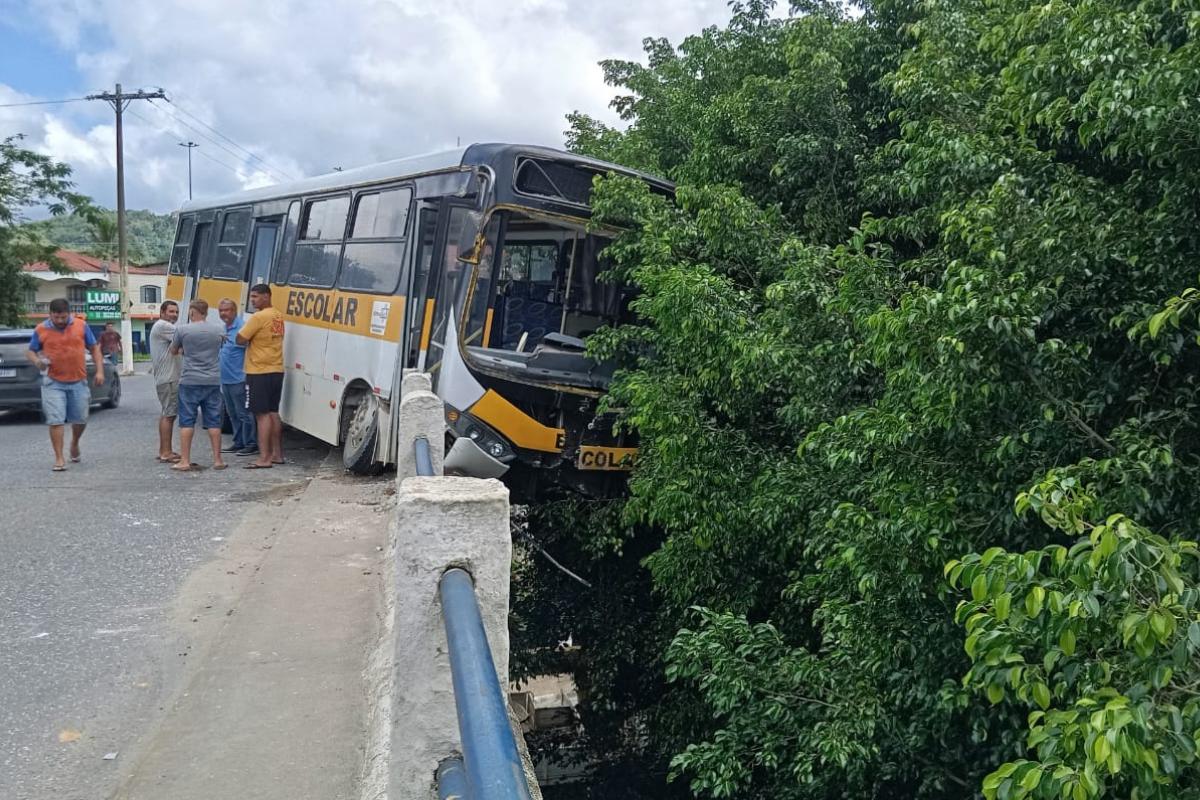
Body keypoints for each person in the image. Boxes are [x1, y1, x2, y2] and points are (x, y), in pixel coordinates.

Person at [25, 298, 105, 471]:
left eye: (63, 317)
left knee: (81, 419)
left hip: (78, 380)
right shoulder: (41, 329)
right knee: (55, 420)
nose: (60, 321)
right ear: (50, 315)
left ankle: (74, 443)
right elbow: (30, 351)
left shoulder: (81, 325)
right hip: (53, 382)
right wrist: (38, 361)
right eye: (56, 317)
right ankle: (59, 458)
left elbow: (94, 348)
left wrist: (99, 371)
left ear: (69, 314)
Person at [170, 299, 228, 472]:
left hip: (189, 380)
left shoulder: (182, 330)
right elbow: (220, 346)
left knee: (187, 421)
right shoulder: (218, 330)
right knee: (214, 422)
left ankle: (185, 460)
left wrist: (185, 350)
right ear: (206, 312)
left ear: (192, 312)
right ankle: (218, 460)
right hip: (212, 380)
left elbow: (174, 351)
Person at [236, 283, 285, 469]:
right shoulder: (278, 315)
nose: (252, 300)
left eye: (255, 296)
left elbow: (240, 338)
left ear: (266, 296)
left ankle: (264, 458)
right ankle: (277, 454)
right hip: (276, 369)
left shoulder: (258, 317)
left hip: (259, 370)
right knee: (273, 412)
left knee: (261, 415)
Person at [217, 298, 257, 456]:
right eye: (221, 310)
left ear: (234, 311)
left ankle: (251, 443)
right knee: (232, 413)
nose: (223, 313)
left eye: (226, 310)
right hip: (225, 379)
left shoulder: (242, 328)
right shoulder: (226, 328)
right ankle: (239, 441)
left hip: (239, 378)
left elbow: (251, 349)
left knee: (244, 413)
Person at [149, 300, 182, 462]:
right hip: (169, 378)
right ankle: (166, 452)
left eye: (176, 312)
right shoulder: (163, 326)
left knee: (167, 414)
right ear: (162, 313)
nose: (174, 315)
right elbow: (185, 335)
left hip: (166, 378)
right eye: (171, 311)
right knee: (169, 415)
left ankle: (165, 450)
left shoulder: (161, 327)